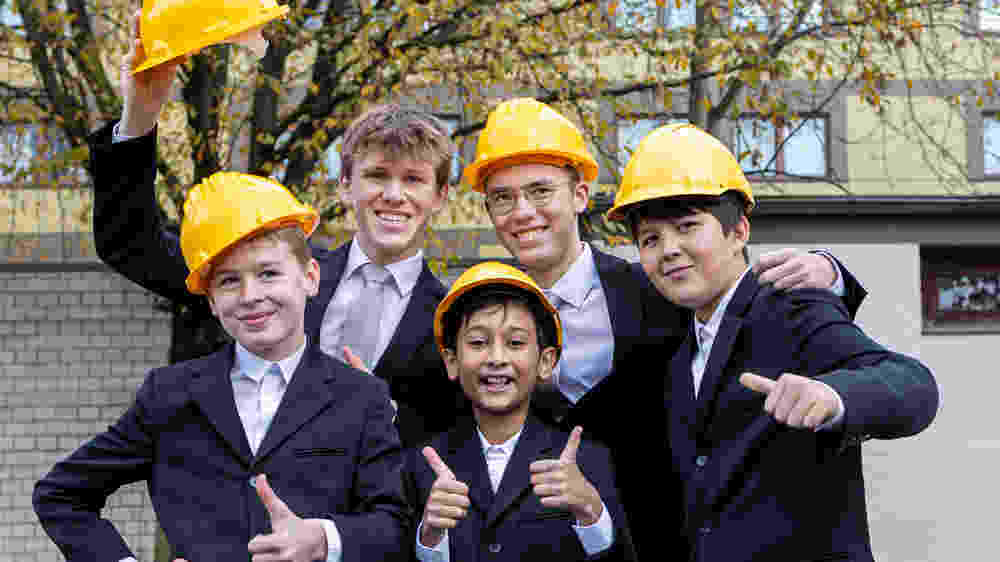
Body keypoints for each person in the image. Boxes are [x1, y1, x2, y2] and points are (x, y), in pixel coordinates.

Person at [461, 97, 867, 557]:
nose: (522, 211)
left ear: (579, 195)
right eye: (502, 198)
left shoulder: (662, 290)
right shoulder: (478, 319)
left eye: (540, 191)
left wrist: (830, 271)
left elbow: (742, 300)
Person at [87, 12, 464, 447]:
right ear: (345, 184)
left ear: (440, 195)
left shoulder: (456, 321)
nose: (394, 195)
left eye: (413, 180)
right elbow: (131, 244)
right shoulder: (271, 272)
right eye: (377, 175)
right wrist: (139, 116)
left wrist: (380, 418)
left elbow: (458, 448)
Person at [34, 172, 410, 562]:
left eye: (268, 273)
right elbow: (61, 494)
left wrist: (324, 539)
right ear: (211, 300)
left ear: (310, 277)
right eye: (229, 281)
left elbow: (395, 526)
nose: (250, 296)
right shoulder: (170, 395)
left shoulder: (361, 397)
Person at [606, 123, 939, 561]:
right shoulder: (678, 345)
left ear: (739, 231)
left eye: (687, 227)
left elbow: (913, 385)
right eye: (650, 239)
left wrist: (833, 396)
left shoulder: (789, 308)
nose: (668, 249)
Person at [405, 262, 632, 562]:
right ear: (452, 361)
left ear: (545, 361)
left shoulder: (587, 462)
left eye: (515, 343)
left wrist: (592, 514)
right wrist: (429, 539)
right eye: (478, 342)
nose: (497, 358)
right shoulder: (420, 467)